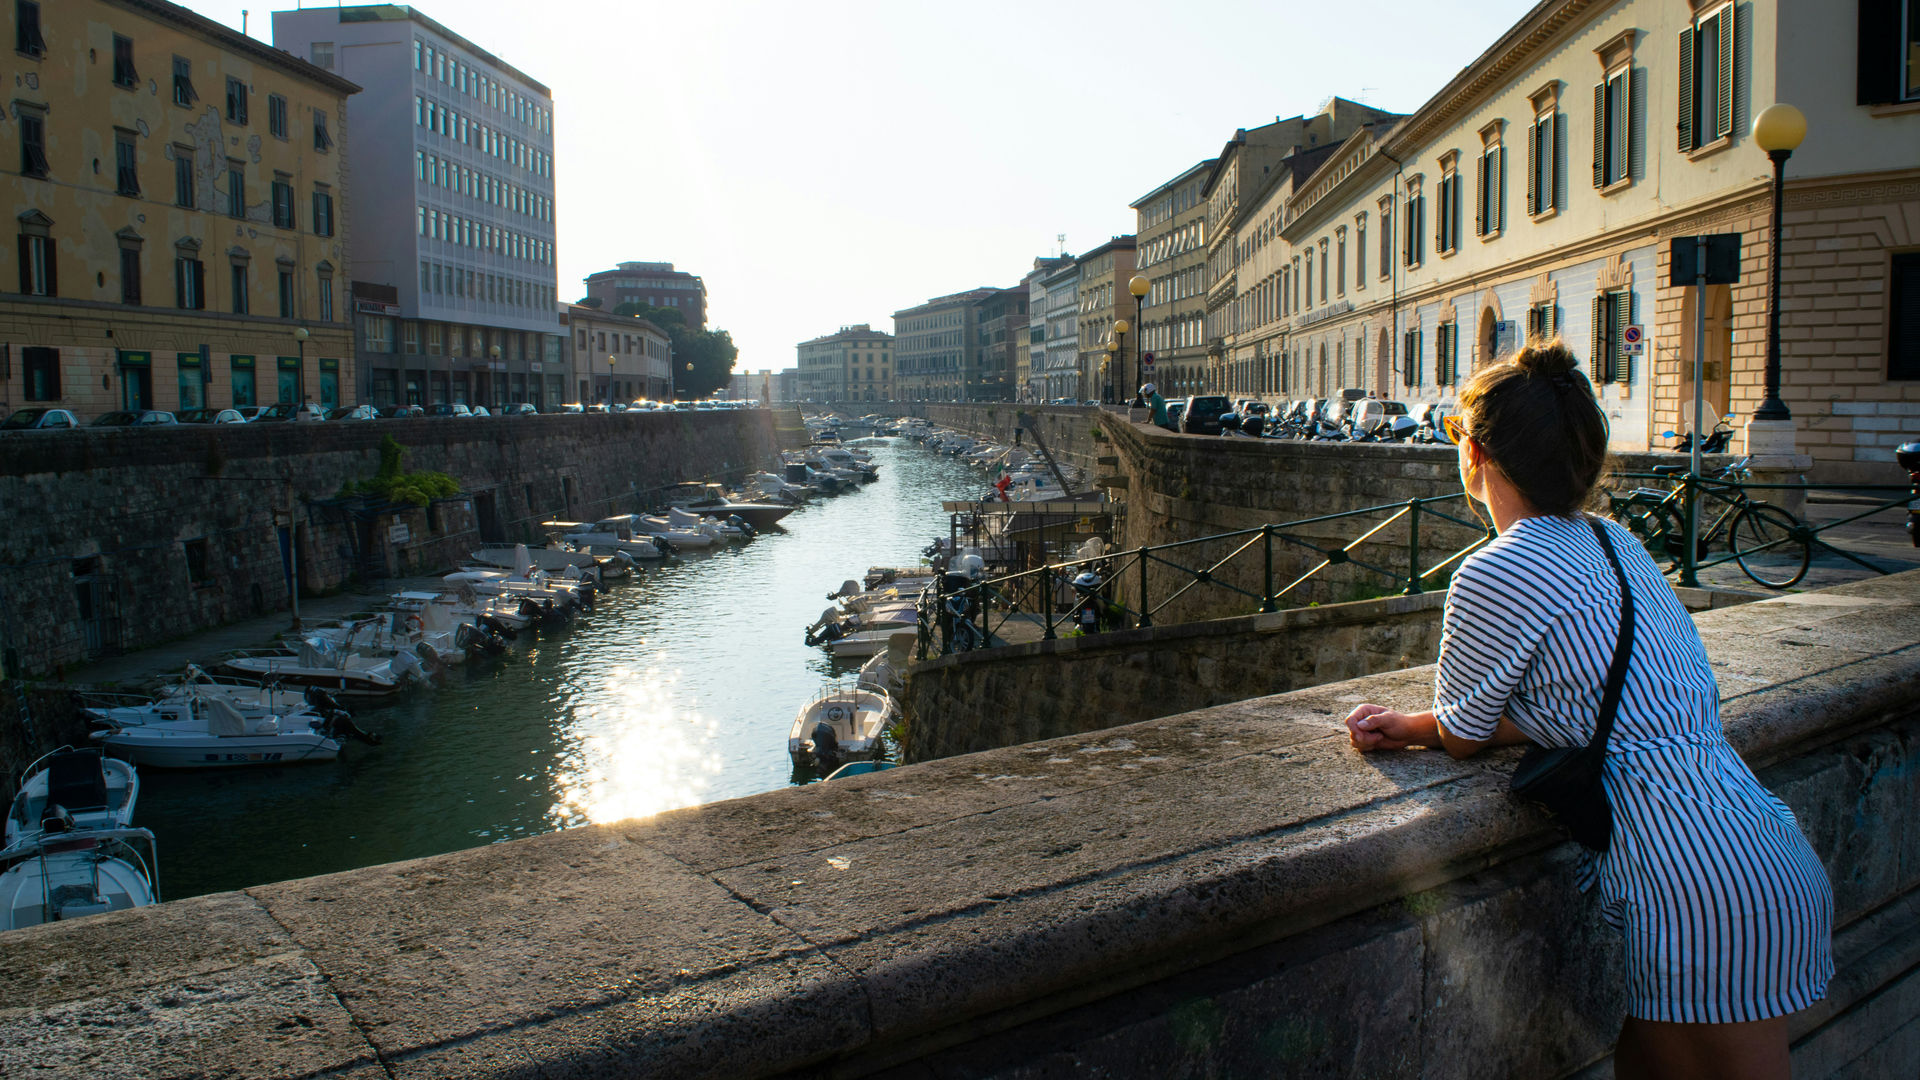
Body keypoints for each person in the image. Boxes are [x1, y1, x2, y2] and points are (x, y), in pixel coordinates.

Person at [1342, 339, 1831, 1080]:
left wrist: (1424, 729)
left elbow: (1468, 734)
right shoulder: (1618, 543)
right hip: (1759, 843)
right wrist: (1414, 725)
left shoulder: (1496, 569)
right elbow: (1581, 706)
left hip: (1689, 882)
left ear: (1473, 454)